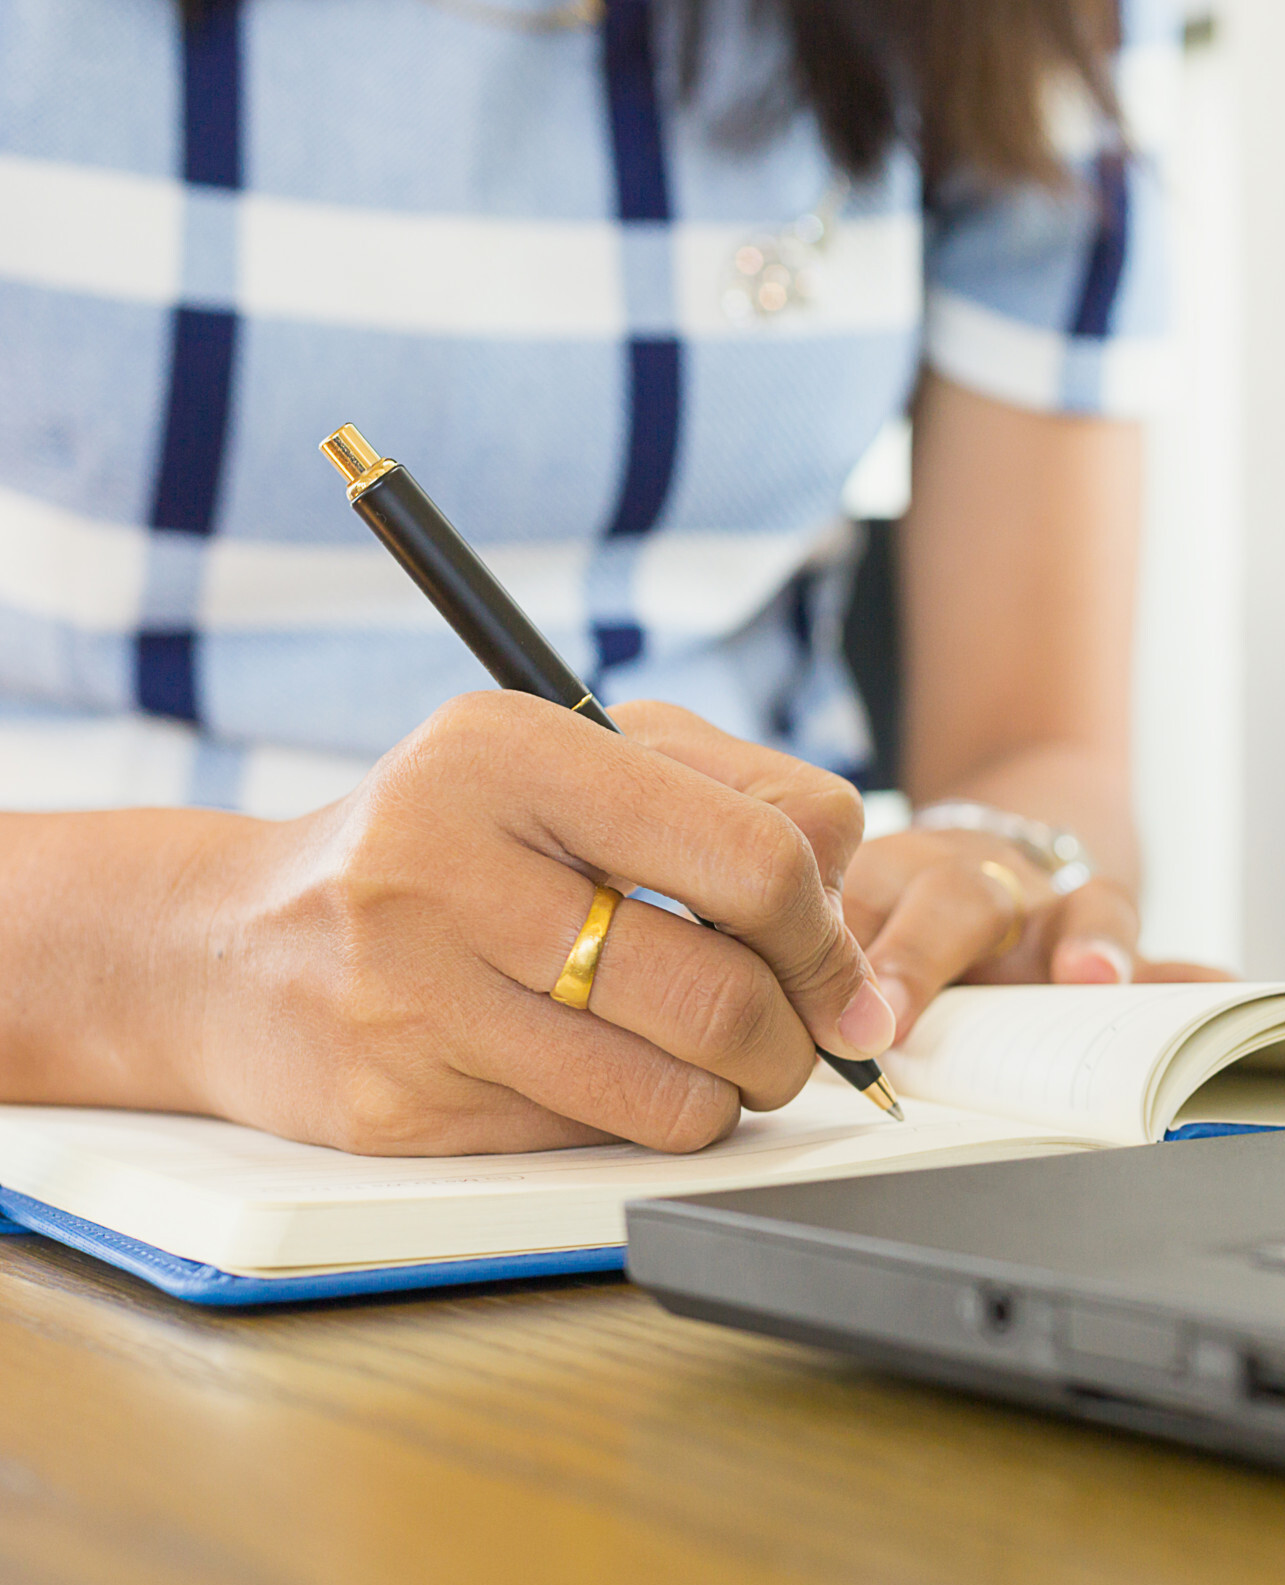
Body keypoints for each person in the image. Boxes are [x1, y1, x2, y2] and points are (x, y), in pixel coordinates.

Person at [0, 0, 1219, 1155]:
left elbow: (1038, 747)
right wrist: (203, 954)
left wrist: (993, 862)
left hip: (714, 1105)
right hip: (75, 1117)